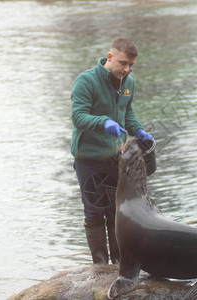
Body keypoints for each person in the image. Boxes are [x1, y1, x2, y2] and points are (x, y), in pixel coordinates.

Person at [70, 37, 154, 264]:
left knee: (117, 212)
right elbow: (78, 117)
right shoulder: (86, 81)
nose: (126, 70)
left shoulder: (128, 83)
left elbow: (128, 113)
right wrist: (103, 122)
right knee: (95, 212)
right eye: (123, 63)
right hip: (88, 159)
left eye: (130, 66)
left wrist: (139, 131)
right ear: (109, 57)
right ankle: (99, 264)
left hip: (117, 158)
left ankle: (119, 262)